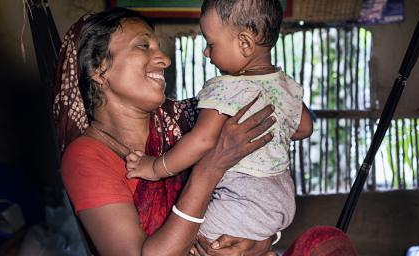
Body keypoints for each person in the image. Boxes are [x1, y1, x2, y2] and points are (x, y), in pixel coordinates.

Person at [54, 8, 278, 255]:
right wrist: (209, 169)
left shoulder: (195, 121)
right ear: (99, 68)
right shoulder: (86, 158)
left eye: (157, 46)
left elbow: (282, 124)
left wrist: (260, 242)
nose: (164, 59)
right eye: (143, 45)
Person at [125, 0, 313, 244]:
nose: (206, 52)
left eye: (211, 44)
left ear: (245, 43)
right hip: (282, 197)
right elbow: (304, 127)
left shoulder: (226, 87)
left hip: (243, 199)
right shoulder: (285, 84)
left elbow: (202, 140)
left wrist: (153, 168)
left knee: (185, 241)